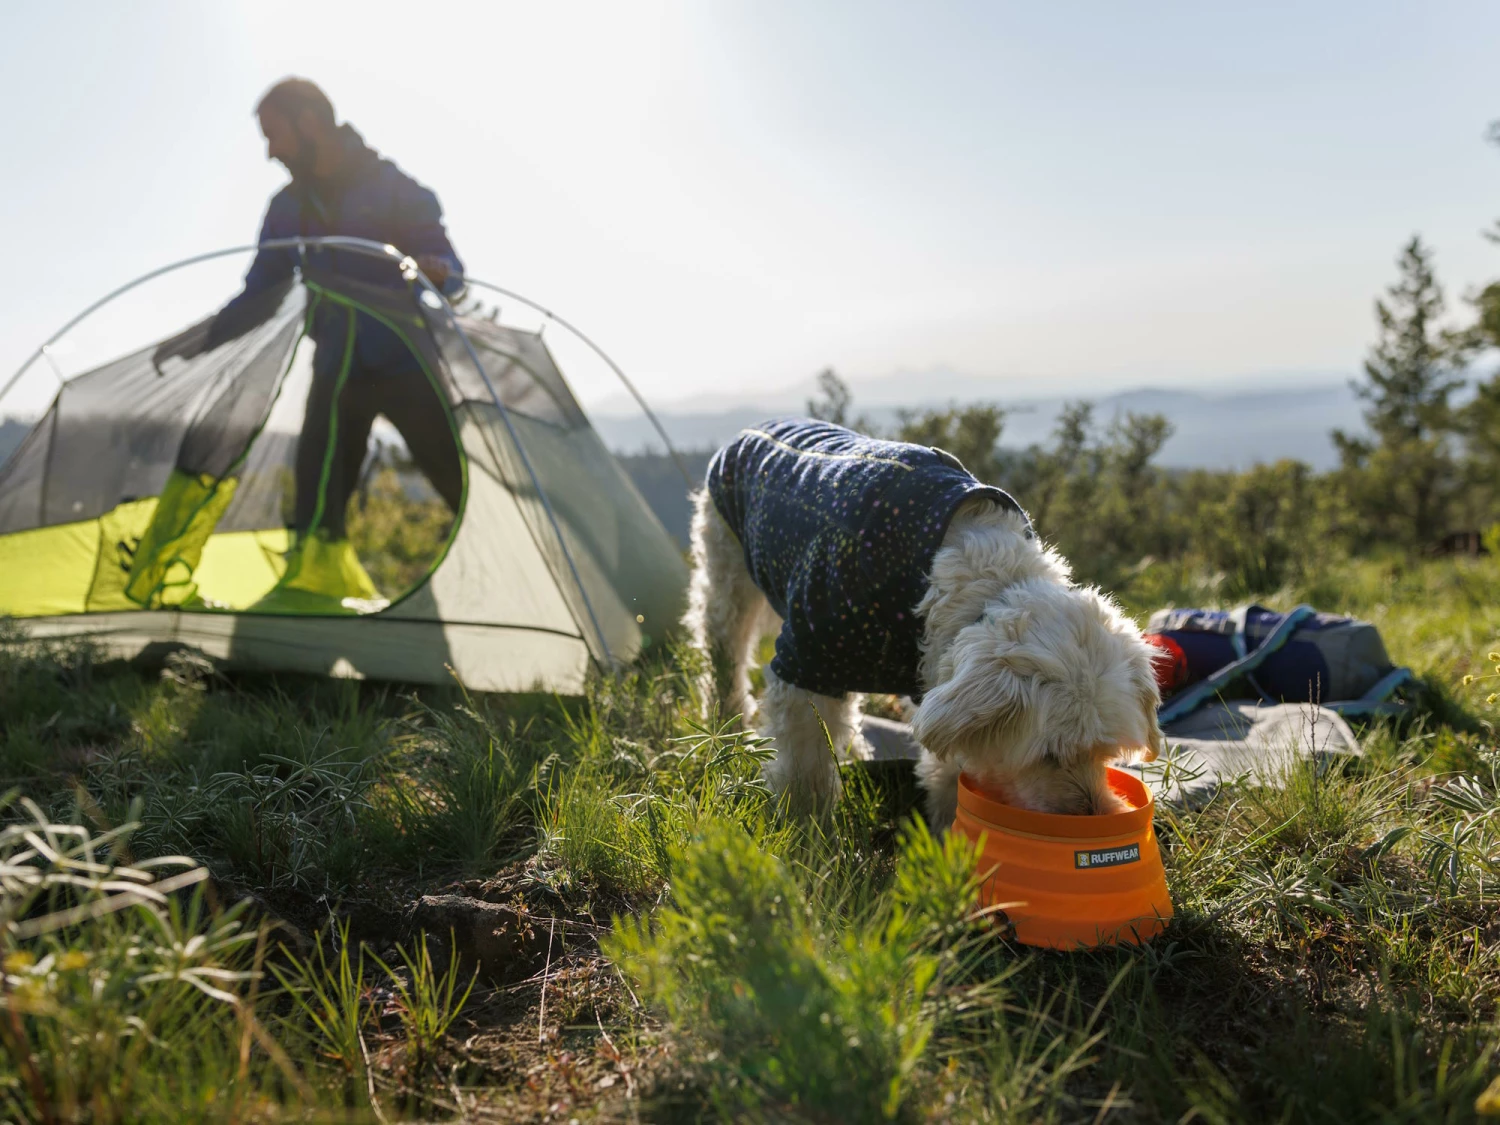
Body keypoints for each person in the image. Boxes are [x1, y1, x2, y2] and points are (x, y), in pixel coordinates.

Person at [154, 78, 465, 609]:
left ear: (310, 123)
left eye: (274, 134)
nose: (270, 150)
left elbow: (452, 273)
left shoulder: (392, 188)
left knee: (458, 479)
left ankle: (498, 591)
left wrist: (440, 274)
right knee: (318, 491)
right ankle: (313, 595)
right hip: (337, 370)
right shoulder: (286, 209)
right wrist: (196, 342)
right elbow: (260, 294)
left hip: (405, 362)